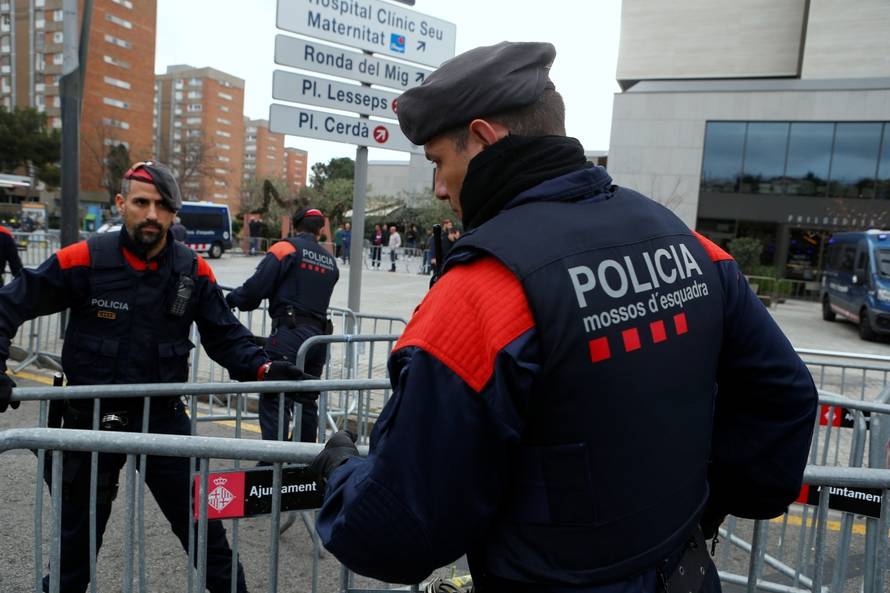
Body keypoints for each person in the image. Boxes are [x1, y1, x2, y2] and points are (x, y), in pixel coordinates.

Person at [309, 42, 818, 592]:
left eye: (438, 161)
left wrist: (341, 475)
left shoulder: (483, 291)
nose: (437, 188)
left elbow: (396, 529)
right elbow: (784, 394)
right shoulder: (690, 245)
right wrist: (705, 507)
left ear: (483, 137)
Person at [0, 161, 308, 593]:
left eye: (163, 206)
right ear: (122, 203)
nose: (151, 214)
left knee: (207, 539)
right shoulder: (84, 259)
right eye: (142, 203)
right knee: (75, 552)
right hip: (90, 421)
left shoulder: (192, 270)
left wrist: (264, 366)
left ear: (173, 214)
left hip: (162, 420)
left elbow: (224, 335)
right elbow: (9, 304)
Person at [226, 207, 339, 443]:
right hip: (318, 339)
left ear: (295, 225)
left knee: (276, 394)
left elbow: (256, 288)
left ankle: (273, 461)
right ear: (320, 229)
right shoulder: (329, 260)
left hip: (290, 333)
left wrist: (230, 300)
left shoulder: (285, 248)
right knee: (306, 397)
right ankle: (303, 460)